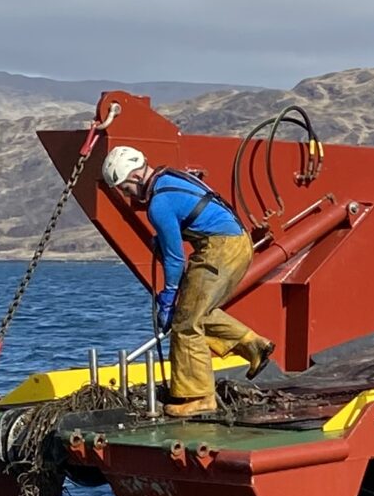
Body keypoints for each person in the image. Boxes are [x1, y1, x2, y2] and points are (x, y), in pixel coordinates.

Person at [98, 146, 273, 418]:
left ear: (133, 177)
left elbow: (174, 258)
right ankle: (253, 345)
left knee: (185, 323)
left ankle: (198, 396)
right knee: (196, 312)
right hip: (238, 243)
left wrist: (168, 295)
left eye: (124, 189)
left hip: (220, 249)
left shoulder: (158, 204)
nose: (127, 195)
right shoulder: (170, 177)